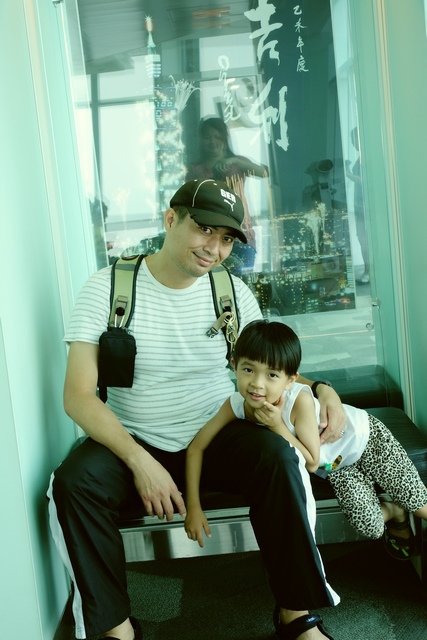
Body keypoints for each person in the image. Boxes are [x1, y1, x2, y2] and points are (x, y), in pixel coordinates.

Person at [48, 178, 346, 640]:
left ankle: (297, 617)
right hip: (133, 437)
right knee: (71, 484)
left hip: (217, 431)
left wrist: (324, 389)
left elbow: (271, 369)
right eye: (204, 229)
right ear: (171, 219)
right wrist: (139, 460)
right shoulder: (107, 289)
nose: (214, 248)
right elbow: (78, 396)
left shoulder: (231, 294)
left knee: (279, 457)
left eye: (226, 238)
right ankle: (116, 629)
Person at [185, 320, 427, 572]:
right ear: (234, 366)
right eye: (248, 370)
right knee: (371, 526)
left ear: (290, 380)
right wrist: (194, 507)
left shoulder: (298, 400)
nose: (257, 383)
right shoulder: (235, 405)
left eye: (271, 375)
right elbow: (196, 448)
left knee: (420, 505)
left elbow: (311, 462)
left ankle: (406, 505)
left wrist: (277, 426)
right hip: (335, 466)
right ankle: (396, 511)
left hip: (366, 440)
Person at [187, 117, 268, 270]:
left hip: (241, 235)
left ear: (225, 138)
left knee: (242, 280)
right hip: (208, 239)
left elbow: (264, 173)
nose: (212, 141)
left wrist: (234, 162)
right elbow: (190, 200)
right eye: (207, 137)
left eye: (217, 136)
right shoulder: (195, 169)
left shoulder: (237, 163)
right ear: (201, 140)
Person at [346, 127, 370, 284]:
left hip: (365, 206)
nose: (353, 143)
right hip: (360, 206)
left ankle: (369, 270)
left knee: (365, 239)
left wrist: (347, 173)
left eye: (354, 139)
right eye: (352, 140)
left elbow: (363, 180)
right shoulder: (361, 158)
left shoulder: (367, 158)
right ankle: (368, 270)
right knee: (362, 238)